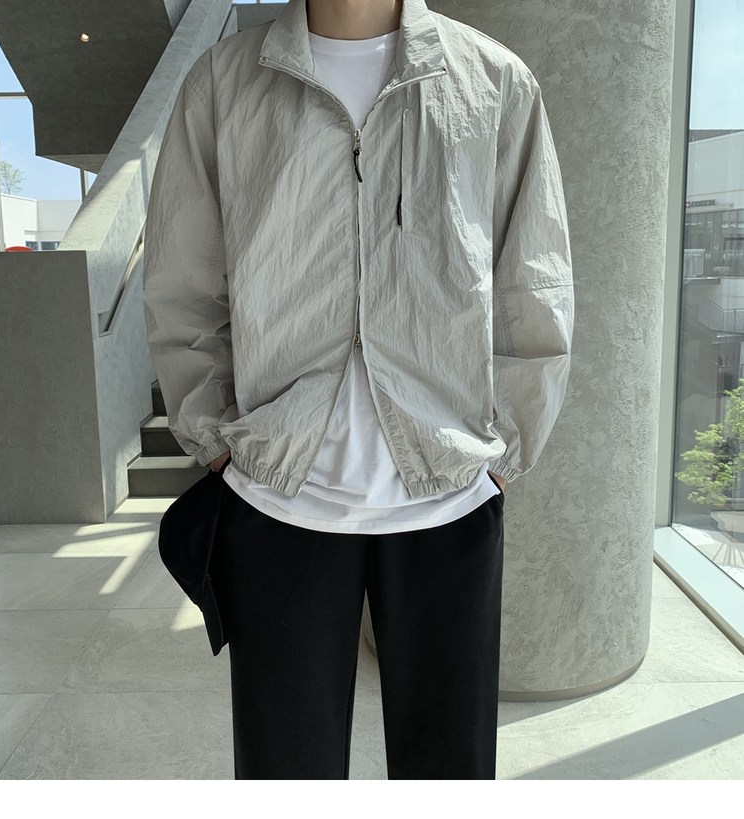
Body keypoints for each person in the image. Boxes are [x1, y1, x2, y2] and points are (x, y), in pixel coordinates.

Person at [143, 0, 574, 779]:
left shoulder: (495, 82)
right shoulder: (223, 83)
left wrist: (504, 451)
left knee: (449, 776)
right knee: (286, 775)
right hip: (276, 495)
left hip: (450, 494)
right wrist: (216, 441)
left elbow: (532, 279)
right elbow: (183, 281)